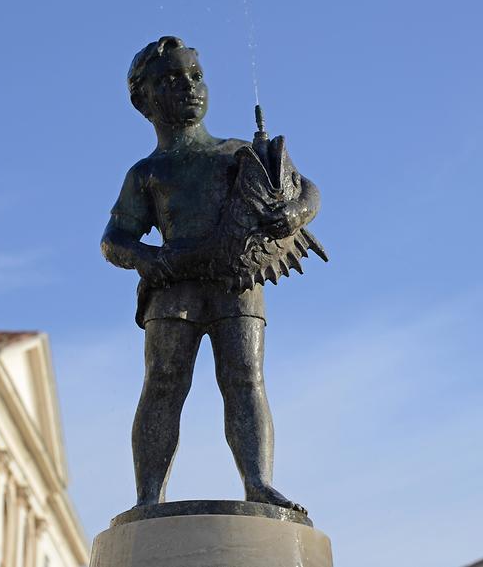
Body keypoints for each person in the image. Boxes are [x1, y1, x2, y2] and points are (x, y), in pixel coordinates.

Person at [100, 36, 321, 513]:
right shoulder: (147, 172)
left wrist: (294, 215)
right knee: (163, 382)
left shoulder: (240, 152)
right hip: (173, 286)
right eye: (172, 79)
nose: (190, 87)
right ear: (144, 99)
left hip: (237, 281)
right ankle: (148, 497)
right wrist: (147, 259)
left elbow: (307, 191)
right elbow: (114, 240)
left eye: (196, 76)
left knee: (245, 377)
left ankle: (259, 483)